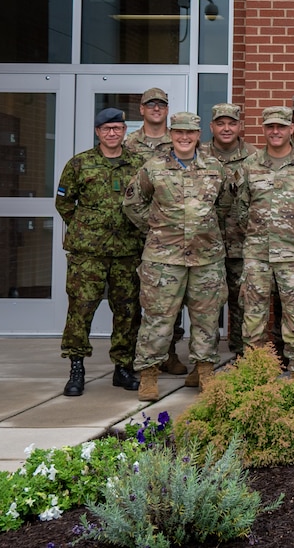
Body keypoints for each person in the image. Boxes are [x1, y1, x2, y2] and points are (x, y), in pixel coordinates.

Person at [124, 112, 231, 401]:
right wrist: (159, 227)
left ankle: (205, 370)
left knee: (207, 319)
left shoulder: (215, 168)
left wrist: (202, 228)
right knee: (158, 319)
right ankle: (149, 374)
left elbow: (224, 205)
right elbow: (133, 203)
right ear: (172, 134)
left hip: (206, 258)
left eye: (191, 133)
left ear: (199, 135)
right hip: (163, 259)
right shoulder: (154, 167)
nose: (185, 137)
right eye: (179, 132)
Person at [54, 107, 145, 396]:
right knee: (81, 309)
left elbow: (147, 201)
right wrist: (85, 229)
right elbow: (64, 203)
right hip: (88, 254)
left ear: (124, 131)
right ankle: (76, 368)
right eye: (106, 129)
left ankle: (122, 367)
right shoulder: (80, 164)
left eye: (117, 128)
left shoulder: (138, 164)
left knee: (128, 311)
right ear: (97, 132)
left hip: (127, 251)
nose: (112, 133)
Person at [235, 106, 294, 380]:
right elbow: (241, 211)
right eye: (270, 127)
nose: (275, 132)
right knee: (253, 320)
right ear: (263, 130)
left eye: (280, 127)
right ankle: (257, 376)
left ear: (290, 129)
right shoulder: (249, 166)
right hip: (257, 256)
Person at [122, 86, 186, 376]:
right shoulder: (128, 144)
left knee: (171, 300)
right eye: (151, 104)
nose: (156, 109)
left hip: (169, 245)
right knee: (140, 302)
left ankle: (168, 354)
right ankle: (136, 358)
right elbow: (131, 194)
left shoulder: (178, 141)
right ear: (142, 109)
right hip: (135, 238)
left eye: (161, 104)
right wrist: (155, 224)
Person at [206, 103, 257, 361]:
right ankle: (204, 360)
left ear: (240, 126)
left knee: (243, 304)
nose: (226, 128)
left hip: (242, 243)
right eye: (221, 123)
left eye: (232, 123)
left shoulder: (254, 156)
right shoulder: (198, 154)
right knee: (206, 306)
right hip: (206, 245)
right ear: (212, 126)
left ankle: (241, 358)